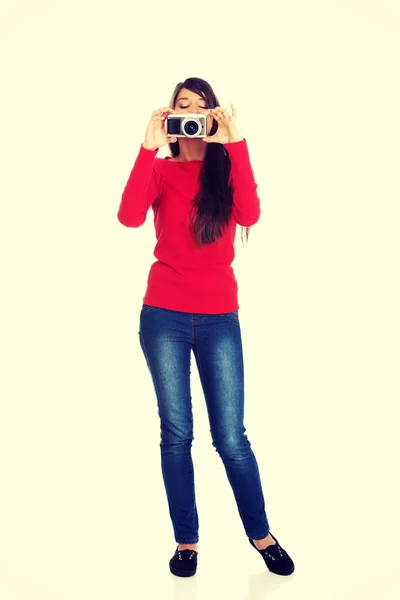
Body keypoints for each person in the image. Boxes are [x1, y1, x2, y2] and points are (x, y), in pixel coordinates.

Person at [117, 77, 295, 578]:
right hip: (163, 315)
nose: (190, 116)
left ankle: (262, 536)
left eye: (201, 108)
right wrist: (146, 148)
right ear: (169, 118)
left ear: (213, 114)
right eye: (181, 108)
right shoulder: (161, 170)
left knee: (231, 437)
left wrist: (234, 140)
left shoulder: (225, 170)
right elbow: (129, 217)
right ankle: (186, 542)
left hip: (220, 316)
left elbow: (252, 213)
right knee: (176, 435)